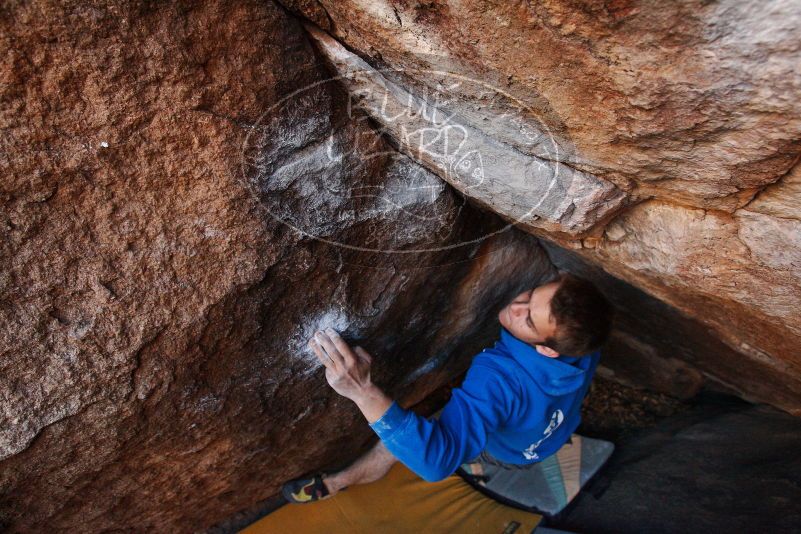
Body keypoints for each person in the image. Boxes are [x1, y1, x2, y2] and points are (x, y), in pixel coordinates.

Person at [282, 273, 613, 503]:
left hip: (510, 452)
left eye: (528, 320)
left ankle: (338, 482)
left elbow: (435, 462)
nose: (515, 306)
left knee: (410, 441)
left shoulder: (498, 379)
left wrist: (362, 390)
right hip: (549, 430)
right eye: (530, 297)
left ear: (546, 350)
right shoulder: (584, 343)